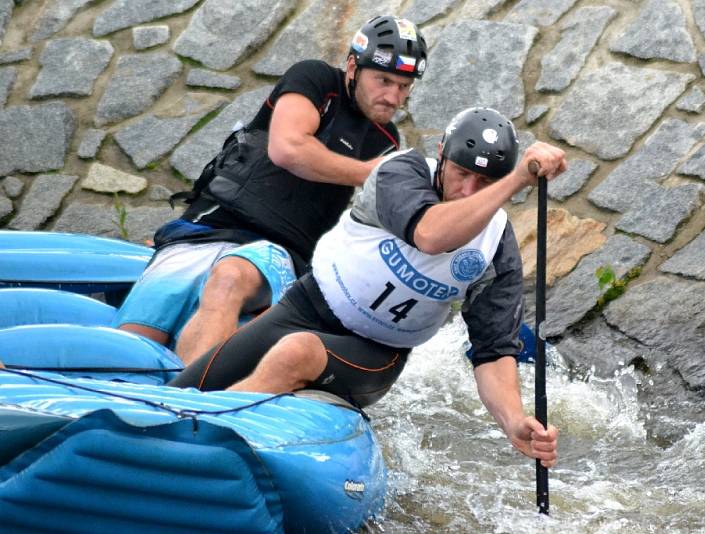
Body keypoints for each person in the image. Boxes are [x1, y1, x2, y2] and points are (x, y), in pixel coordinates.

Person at [169, 107, 565, 463]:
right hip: (304, 307)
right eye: (463, 174)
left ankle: (202, 453)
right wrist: (515, 179)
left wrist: (513, 421)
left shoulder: (496, 246)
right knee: (186, 391)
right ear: (442, 156)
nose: (468, 191)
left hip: (376, 353)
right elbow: (430, 234)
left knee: (296, 353)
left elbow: (493, 351)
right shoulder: (400, 172)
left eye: (485, 182)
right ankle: (167, 437)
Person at [113, 16, 428, 365]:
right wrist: (367, 173)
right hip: (205, 229)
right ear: (353, 66)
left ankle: (193, 403)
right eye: (383, 80)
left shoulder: (386, 143)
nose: (393, 97)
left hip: (278, 252)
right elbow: (287, 149)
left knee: (230, 277)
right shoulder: (316, 80)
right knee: (136, 338)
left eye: (404, 86)